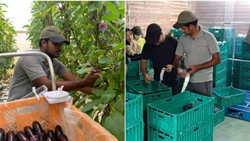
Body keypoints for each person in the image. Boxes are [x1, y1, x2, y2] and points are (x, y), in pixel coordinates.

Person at [8, 26, 99, 101]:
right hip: (17, 106)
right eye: (56, 44)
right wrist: (84, 82)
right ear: (44, 43)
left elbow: (76, 82)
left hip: (36, 105)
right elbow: (46, 85)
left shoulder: (54, 63)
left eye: (61, 44)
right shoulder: (29, 57)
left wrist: (101, 91)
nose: (59, 48)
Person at [172, 10, 221, 97]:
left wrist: (197, 68)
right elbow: (177, 58)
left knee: (203, 106)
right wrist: (178, 68)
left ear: (191, 26)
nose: (182, 31)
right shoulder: (183, 39)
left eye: (183, 28)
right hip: (188, 80)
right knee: (188, 105)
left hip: (204, 81)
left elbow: (217, 59)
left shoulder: (208, 37)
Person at [141, 23, 179, 95]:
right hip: (157, 77)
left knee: (172, 98)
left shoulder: (173, 42)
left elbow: (179, 57)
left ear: (161, 34)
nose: (155, 43)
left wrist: (173, 65)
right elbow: (144, 61)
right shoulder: (148, 44)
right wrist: (144, 73)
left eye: (156, 40)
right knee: (158, 96)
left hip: (172, 77)